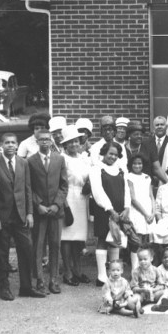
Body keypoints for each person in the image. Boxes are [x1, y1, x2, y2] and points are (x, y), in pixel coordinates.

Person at [0, 132, 40, 300]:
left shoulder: (23, 163)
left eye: (13, 142)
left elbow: (27, 189)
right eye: (7, 142)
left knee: (26, 249)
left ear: (17, 145)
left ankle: (26, 287)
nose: (10, 145)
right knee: (1, 253)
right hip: (2, 216)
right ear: (1, 145)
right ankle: (3, 287)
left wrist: (30, 213)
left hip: (21, 215)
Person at [27, 129, 68, 295]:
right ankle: (39, 280)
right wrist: (38, 205)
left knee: (55, 244)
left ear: (52, 142)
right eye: (41, 140)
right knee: (38, 245)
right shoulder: (30, 161)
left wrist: (57, 205)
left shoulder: (59, 159)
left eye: (47, 139)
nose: (45, 142)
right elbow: (28, 187)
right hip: (40, 211)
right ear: (37, 142)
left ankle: (53, 279)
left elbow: (64, 185)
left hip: (56, 211)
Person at [89, 141, 129, 286]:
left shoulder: (121, 169)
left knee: (115, 240)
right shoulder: (97, 169)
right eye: (110, 154)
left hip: (120, 210)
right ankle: (101, 276)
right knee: (102, 239)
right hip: (104, 210)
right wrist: (110, 209)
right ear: (104, 153)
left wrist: (127, 208)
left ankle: (114, 274)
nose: (113, 157)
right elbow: (98, 191)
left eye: (116, 155)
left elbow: (127, 190)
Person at [58, 125, 91, 286]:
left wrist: (89, 185)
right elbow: (60, 183)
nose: (73, 145)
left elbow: (90, 177)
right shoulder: (62, 158)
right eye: (70, 142)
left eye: (76, 141)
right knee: (67, 237)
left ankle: (78, 270)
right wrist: (64, 206)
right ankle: (67, 271)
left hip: (82, 199)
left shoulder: (84, 158)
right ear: (65, 145)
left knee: (78, 238)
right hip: (68, 197)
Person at [125, 155, 155, 272]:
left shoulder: (147, 177)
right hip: (137, 211)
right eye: (135, 163)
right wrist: (145, 214)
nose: (137, 166)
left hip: (149, 211)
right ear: (131, 165)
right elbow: (133, 198)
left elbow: (151, 195)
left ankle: (145, 268)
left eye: (140, 163)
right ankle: (135, 269)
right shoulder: (129, 177)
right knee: (136, 241)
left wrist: (153, 212)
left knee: (146, 241)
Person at [139, 116, 168, 186]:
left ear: (166, 126)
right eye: (157, 125)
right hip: (150, 181)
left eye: (162, 124)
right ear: (153, 127)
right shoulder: (145, 143)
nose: (159, 127)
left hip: (167, 179)